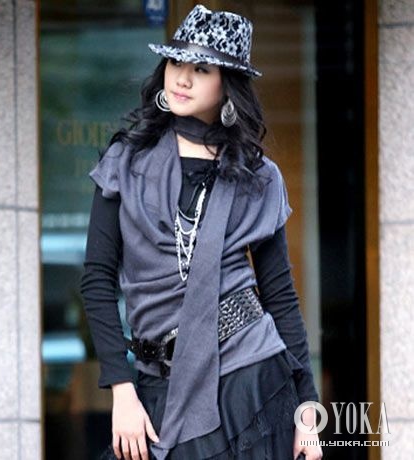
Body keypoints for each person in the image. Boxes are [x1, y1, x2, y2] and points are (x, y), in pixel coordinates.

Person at [81, 4, 323, 460]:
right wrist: (121, 388)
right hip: (154, 382)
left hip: (247, 379)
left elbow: (280, 296)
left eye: (201, 69)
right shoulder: (125, 162)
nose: (182, 78)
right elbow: (96, 279)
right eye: (176, 62)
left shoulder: (258, 178)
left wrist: (308, 411)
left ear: (228, 85)